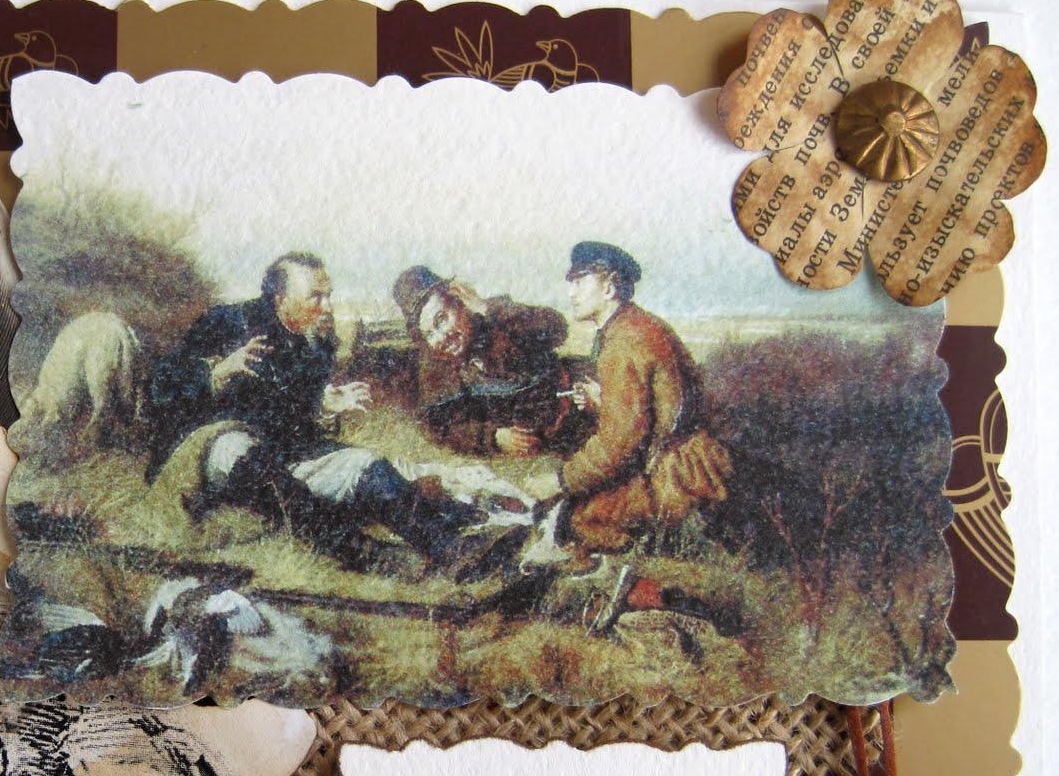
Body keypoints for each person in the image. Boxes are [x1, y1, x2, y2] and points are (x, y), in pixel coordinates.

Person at [147, 252, 519, 575]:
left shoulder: (316, 345)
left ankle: (451, 550)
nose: (326, 306)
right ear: (281, 299)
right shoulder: (228, 321)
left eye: (328, 295)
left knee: (367, 467)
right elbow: (158, 386)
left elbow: (294, 423)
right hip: (212, 457)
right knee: (238, 447)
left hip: (283, 458)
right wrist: (216, 373)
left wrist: (324, 406)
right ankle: (360, 552)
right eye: (316, 296)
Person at [520, 242, 732, 568]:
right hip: (682, 459)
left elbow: (619, 444)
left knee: (577, 520)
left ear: (609, 287)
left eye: (579, 282)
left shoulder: (625, 342)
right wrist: (602, 402)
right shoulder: (635, 325)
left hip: (679, 474)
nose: (571, 293)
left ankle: (679, 545)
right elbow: (652, 412)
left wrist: (560, 480)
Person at [391, 265, 573, 455]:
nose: (442, 336)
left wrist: (486, 308)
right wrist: (492, 437)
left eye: (442, 319)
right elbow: (436, 425)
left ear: (460, 302)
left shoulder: (500, 317)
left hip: (565, 423)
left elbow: (557, 328)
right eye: (429, 334)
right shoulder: (437, 362)